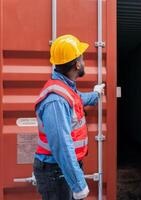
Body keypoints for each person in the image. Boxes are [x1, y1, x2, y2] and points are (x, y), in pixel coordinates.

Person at [33, 34, 105, 200]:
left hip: (60, 170)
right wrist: (79, 185)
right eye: (83, 57)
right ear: (77, 64)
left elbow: (78, 99)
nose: (84, 61)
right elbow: (62, 146)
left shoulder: (65, 88)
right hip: (56, 172)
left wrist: (95, 94)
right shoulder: (56, 101)